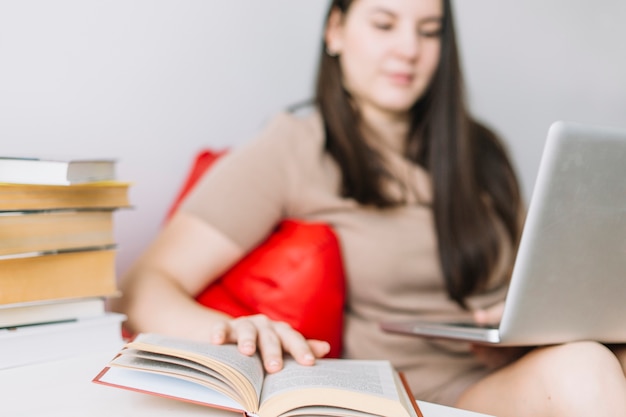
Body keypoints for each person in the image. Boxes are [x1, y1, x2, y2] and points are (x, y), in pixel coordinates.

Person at [111, 0, 626, 415]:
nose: (409, 49)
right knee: (584, 369)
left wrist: (523, 320)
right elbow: (145, 284)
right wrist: (224, 332)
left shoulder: (482, 150)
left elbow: (537, 276)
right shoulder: (294, 148)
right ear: (335, 30)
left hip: (522, 361)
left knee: (596, 358)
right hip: (432, 389)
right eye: (384, 23)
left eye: (429, 31)